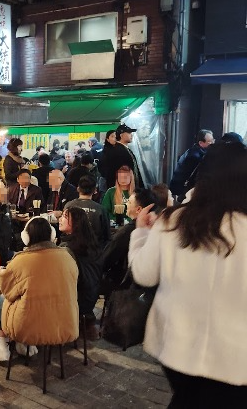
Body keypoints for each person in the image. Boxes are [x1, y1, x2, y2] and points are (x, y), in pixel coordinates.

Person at [128, 142, 247, 406]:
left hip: (176, 347)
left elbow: (144, 275)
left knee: (187, 398)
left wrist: (141, 233)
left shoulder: (173, 220)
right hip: (236, 358)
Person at [0, 217, 78, 361]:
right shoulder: (67, 257)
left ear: (26, 237)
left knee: (0, 301)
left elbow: (7, 290)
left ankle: (3, 346)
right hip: (63, 323)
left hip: (29, 325)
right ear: (52, 235)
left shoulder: (21, 260)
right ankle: (25, 345)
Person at [101, 187, 158, 296]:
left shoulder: (127, 232)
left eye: (130, 202)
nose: (126, 204)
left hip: (123, 287)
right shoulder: (157, 229)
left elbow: (106, 259)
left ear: (139, 209)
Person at [58, 206, 101, 341]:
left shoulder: (67, 248)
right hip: (91, 297)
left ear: (75, 223)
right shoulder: (88, 242)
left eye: (65, 217)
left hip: (77, 300)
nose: (60, 219)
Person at [65, 176, 111, 249]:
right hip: (95, 250)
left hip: (71, 249)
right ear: (95, 191)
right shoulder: (101, 209)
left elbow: (64, 232)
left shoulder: (68, 206)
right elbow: (107, 235)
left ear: (78, 189)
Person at [169, 129, 214, 202]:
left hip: (181, 188)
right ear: (201, 143)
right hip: (182, 190)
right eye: (210, 141)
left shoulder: (194, 151)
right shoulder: (195, 156)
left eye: (213, 140)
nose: (213, 143)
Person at [105, 124, 144, 189]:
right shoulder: (118, 151)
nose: (131, 135)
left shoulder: (124, 149)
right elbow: (114, 173)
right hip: (123, 189)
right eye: (129, 133)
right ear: (121, 135)